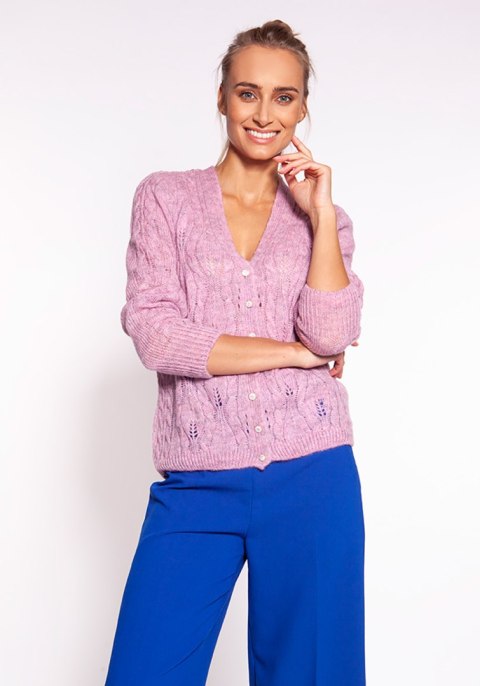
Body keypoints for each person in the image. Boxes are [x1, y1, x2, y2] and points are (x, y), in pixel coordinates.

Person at [105, 18, 366, 686]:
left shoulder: (326, 222)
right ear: (221, 97)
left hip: (314, 477)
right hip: (198, 482)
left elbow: (330, 335)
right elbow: (157, 334)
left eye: (284, 97)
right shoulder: (165, 197)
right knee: (145, 671)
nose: (264, 113)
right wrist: (290, 353)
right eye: (248, 93)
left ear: (302, 108)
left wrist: (318, 214)